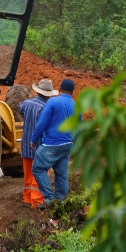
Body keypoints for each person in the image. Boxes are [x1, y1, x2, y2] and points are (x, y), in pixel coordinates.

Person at [30, 78, 78, 209]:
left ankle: (49, 199)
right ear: (72, 92)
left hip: (52, 143)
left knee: (38, 168)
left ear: (60, 89)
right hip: (68, 143)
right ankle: (61, 201)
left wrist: (33, 139)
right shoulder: (77, 106)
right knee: (61, 173)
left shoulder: (53, 101)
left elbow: (42, 122)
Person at [18, 79, 59, 209]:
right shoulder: (45, 108)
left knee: (28, 174)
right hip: (39, 147)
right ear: (49, 94)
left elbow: (20, 109)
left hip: (25, 146)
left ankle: (27, 198)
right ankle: (36, 202)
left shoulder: (26, 103)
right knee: (39, 174)